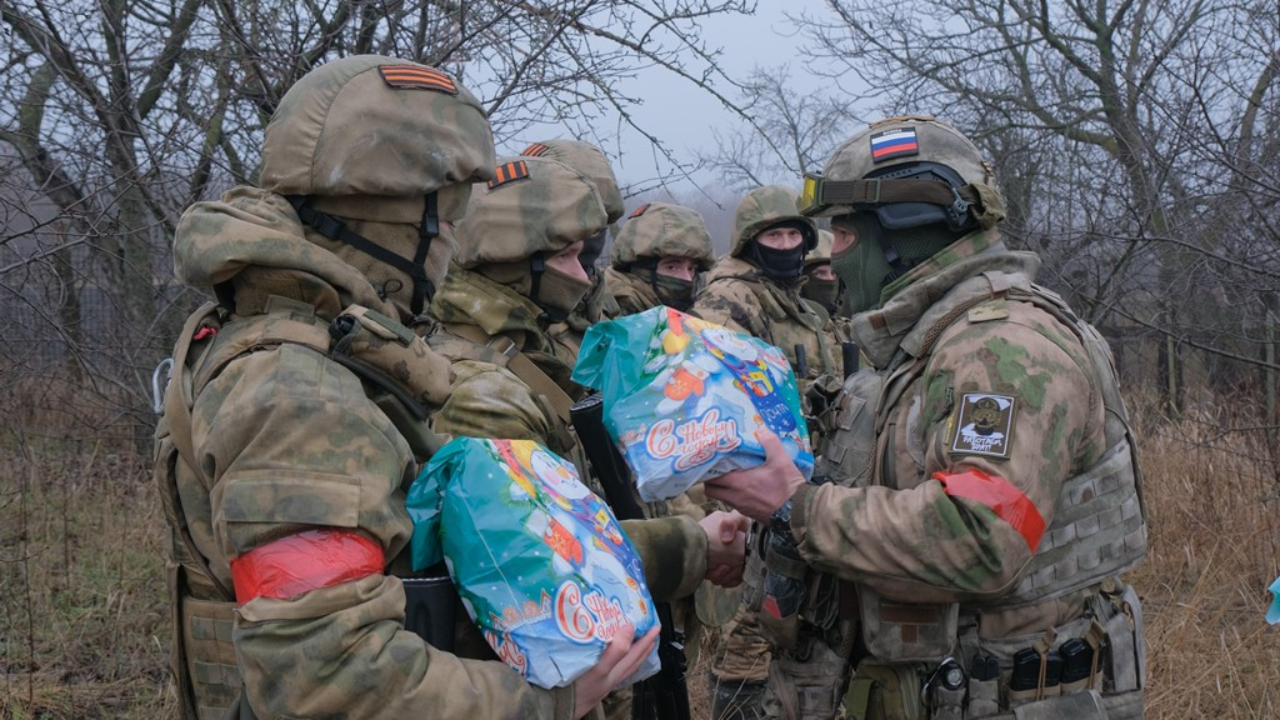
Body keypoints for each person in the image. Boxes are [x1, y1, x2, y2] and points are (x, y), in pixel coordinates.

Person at [155, 56, 744, 720]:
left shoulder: (313, 341)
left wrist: (684, 548)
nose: (455, 241)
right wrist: (548, 702)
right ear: (406, 218)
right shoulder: (298, 393)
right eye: (449, 214)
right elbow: (327, 679)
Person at [703, 115, 1148, 719]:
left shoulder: (1004, 348)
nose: (830, 256)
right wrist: (767, 533)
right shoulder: (929, 345)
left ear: (903, 232)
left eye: (843, 233)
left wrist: (795, 506)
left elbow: (980, 538)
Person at [691, 186, 841, 386]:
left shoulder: (789, 297)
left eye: (793, 234)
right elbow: (726, 386)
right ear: (750, 242)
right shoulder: (727, 298)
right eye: (774, 235)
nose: (786, 245)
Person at [520, 139, 625, 362]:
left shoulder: (597, 292)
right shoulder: (512, 300)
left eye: (597, 225)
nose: (586, 238)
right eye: (576, 221)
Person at [604, 202, 715, 315]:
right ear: (639, 269)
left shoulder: (671, 313)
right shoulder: (612, 313)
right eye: (672, 267)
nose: (687, 279)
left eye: (691, 269)